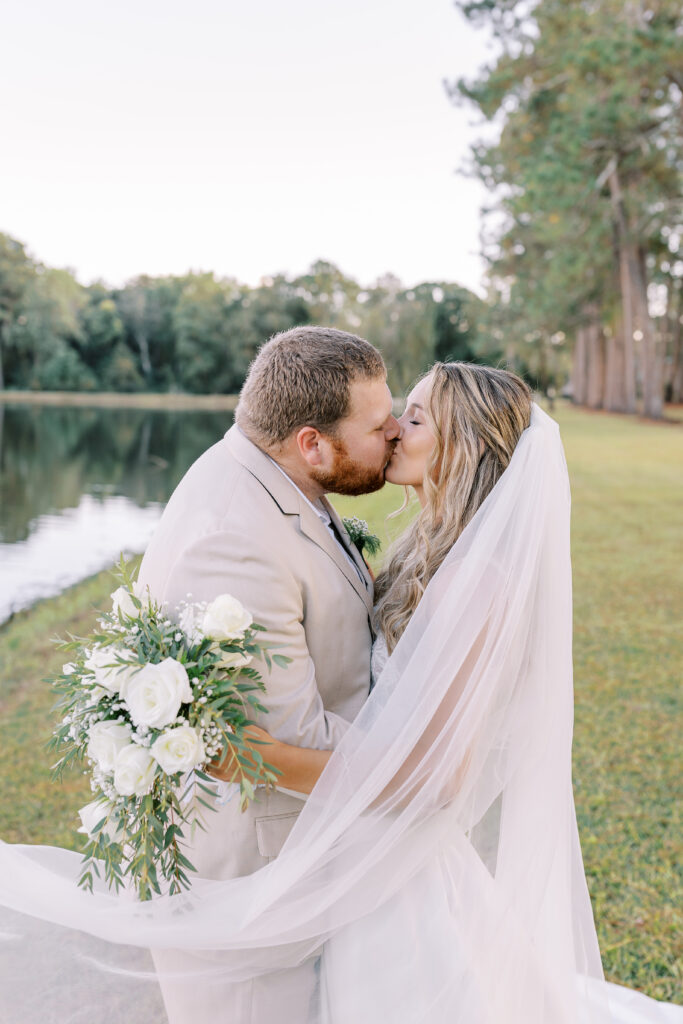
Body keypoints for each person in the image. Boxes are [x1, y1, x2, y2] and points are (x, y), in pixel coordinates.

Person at [0, 358, 680, 1024]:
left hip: (390, 867)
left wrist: (252, 755)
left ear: (462, 446)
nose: (393, 431)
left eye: (413, 418)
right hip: (373, 860)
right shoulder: (432, 549)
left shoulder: (478, 580)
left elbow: (440, 778)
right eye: (392, 417)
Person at [137, 325, 399, 1022]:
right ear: (311, 443)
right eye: (378, 425)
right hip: (257, 891)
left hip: (299, 867)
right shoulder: (235, 537)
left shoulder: (274, 479)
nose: (396, 433)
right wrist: (422, 761)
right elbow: (292, 741)